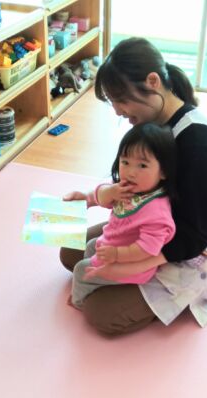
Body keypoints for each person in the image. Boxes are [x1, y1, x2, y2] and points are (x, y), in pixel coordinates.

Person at [61, 37, 207, 336]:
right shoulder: (153, 126)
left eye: (120, 100)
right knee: (70, 252)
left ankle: (161, 301)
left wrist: (131, 260)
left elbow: (195, 236)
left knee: (100, 313)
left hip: (184, 252)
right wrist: (93, 197)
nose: (117, 111)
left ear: (153, 82)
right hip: (147, 223)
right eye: (113, 102)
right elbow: (128, 184)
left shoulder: (201, 143)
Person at [71, 123, 177, 309]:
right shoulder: (133, 188)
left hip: (132, 265)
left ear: (163, 171)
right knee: (90, 245)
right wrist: (106, 192)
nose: (130, 172)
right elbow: (104, 197)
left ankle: (78, 302)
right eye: (125, 162)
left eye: (142, 165)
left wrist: (117, 255)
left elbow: (147, 249)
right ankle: (93, 284)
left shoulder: (157, 213)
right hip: (113, 245)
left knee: (81, 270)